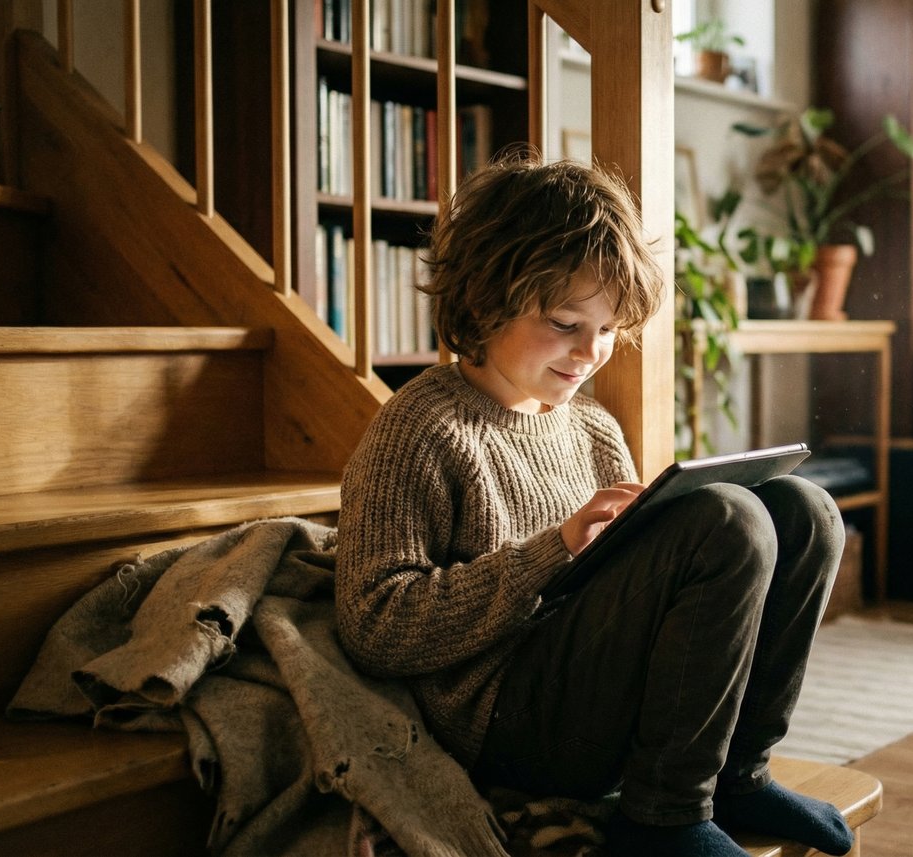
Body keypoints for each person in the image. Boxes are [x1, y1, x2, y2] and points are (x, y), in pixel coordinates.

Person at [335, 152, 853, 857]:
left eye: (607, 329)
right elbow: (373, 626)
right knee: (726, 522)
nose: (590, 352)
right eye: (564, 323)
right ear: (485, 301)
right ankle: (663, 818)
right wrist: (550, 552)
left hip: (597, 702)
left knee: (805, 509)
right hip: (505, 725)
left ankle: (738, 775)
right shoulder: (419, 427)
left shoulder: (592, 427)